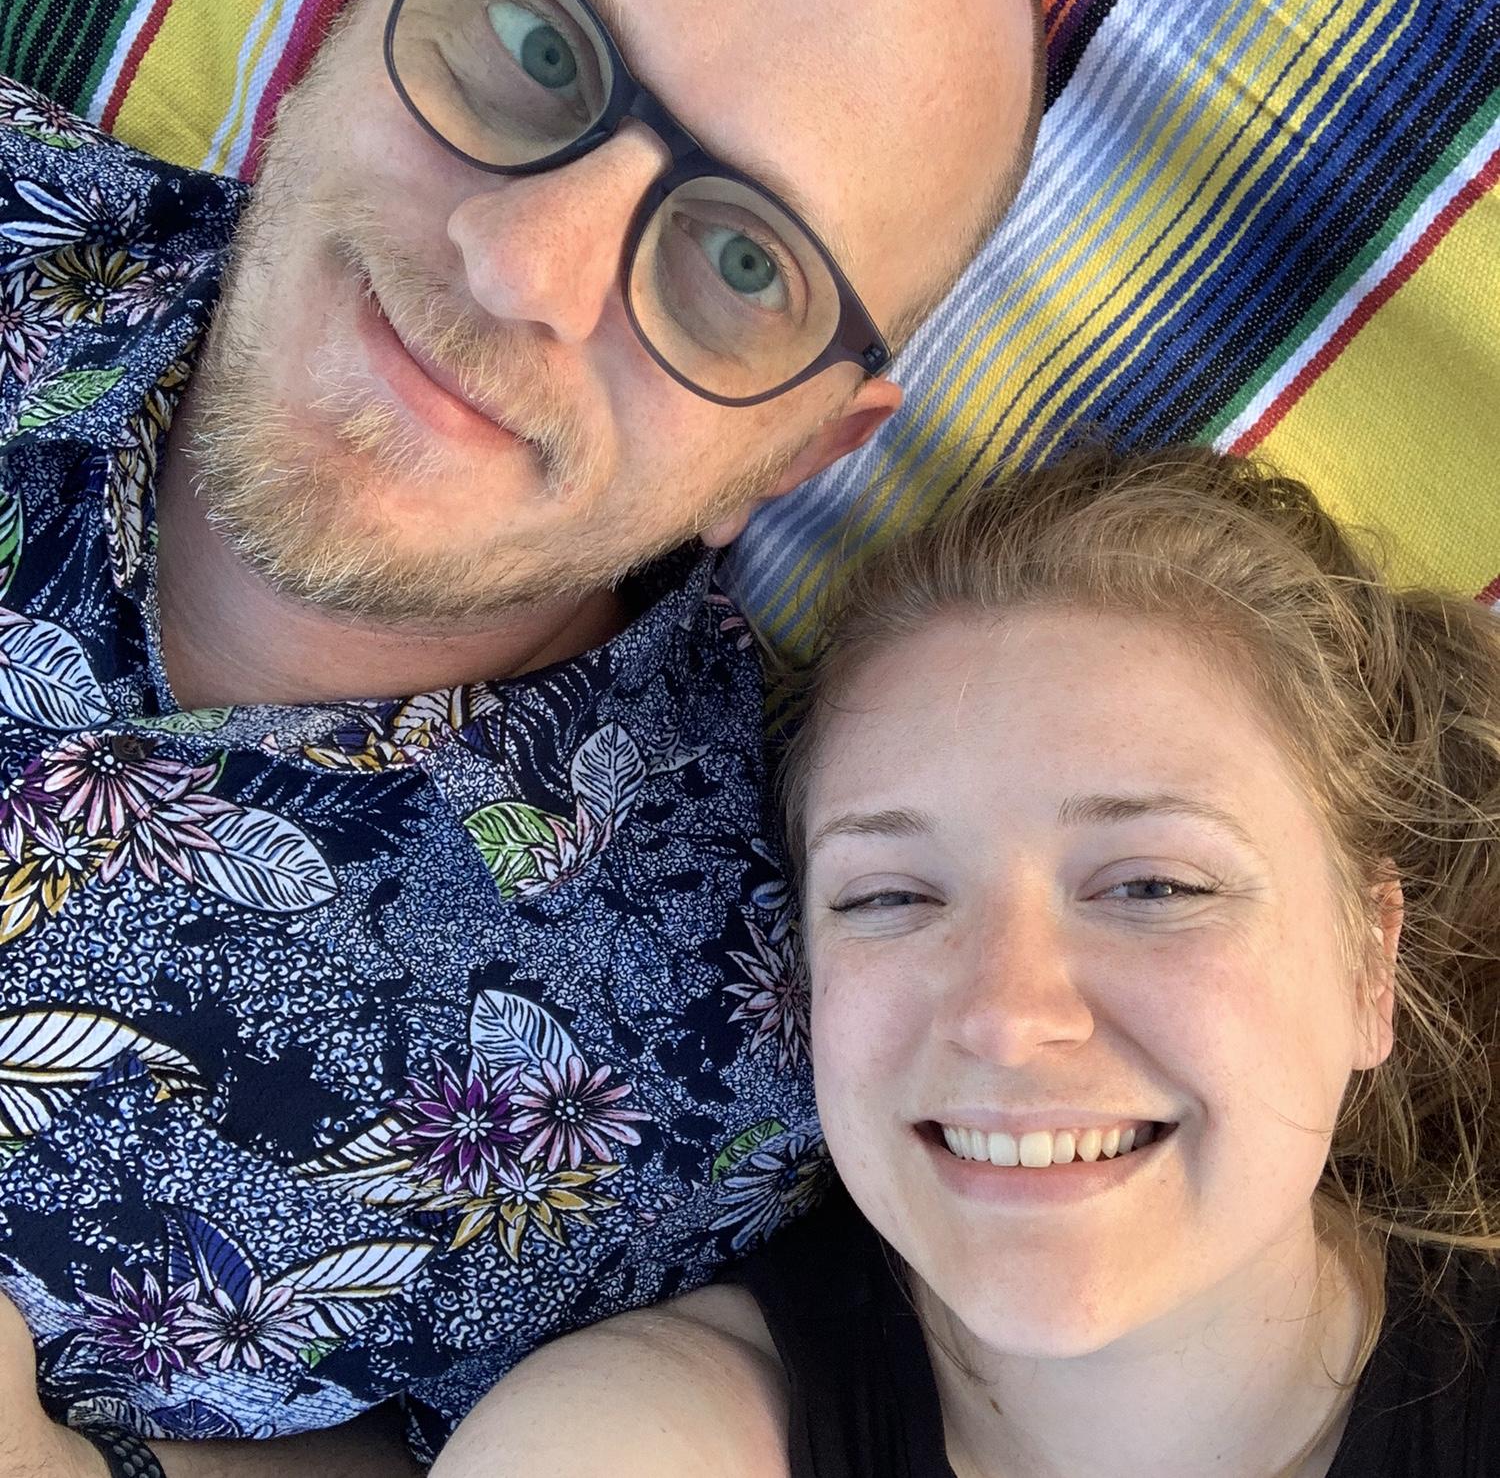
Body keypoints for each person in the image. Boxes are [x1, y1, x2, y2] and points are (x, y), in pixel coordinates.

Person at [0, 0, 1044, 1471]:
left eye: (743, 263)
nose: (518, 267)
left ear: (801, 451)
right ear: (346, 26)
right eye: (537, 46)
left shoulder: (709, 1091)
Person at [429, 444, 1500, 1478]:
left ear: (1371, 967)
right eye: (888, 896)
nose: (1004, 1015)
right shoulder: (633, 1435)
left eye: (1154, 887)